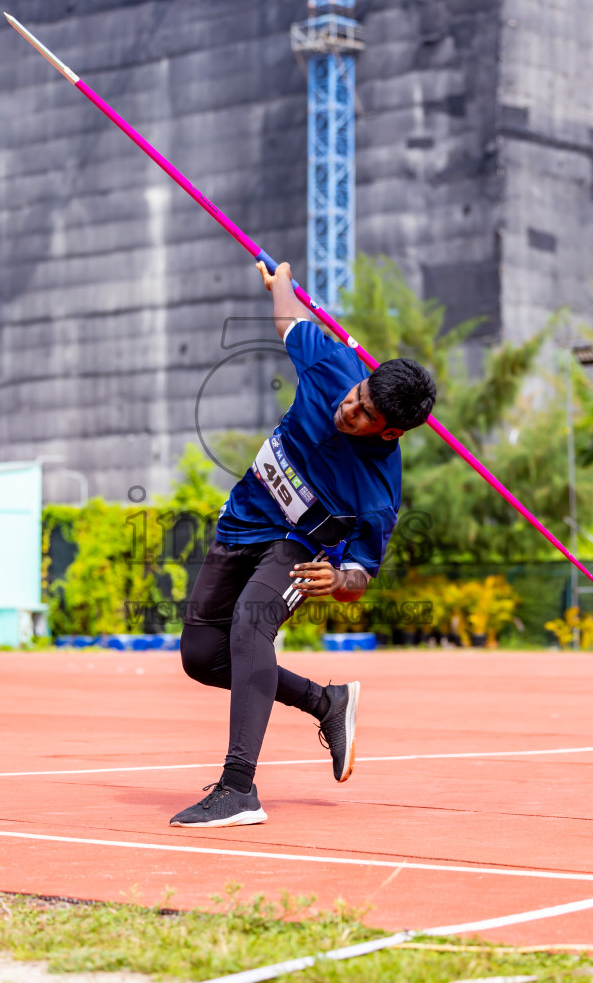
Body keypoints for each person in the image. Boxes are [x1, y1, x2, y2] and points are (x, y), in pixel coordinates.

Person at [170, 261, 436, 827]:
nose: (349, 409)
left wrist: (339, 581)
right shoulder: (333, 364)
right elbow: (288, 319)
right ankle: (326, 702)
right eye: (356, 396)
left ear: (390, 431)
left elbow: (362, 575)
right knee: (201, 658)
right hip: (244, 519)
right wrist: (281, 281)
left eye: (365, 415)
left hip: (301, 547)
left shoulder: (377, 492)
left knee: (250, 623)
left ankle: (239, 788)